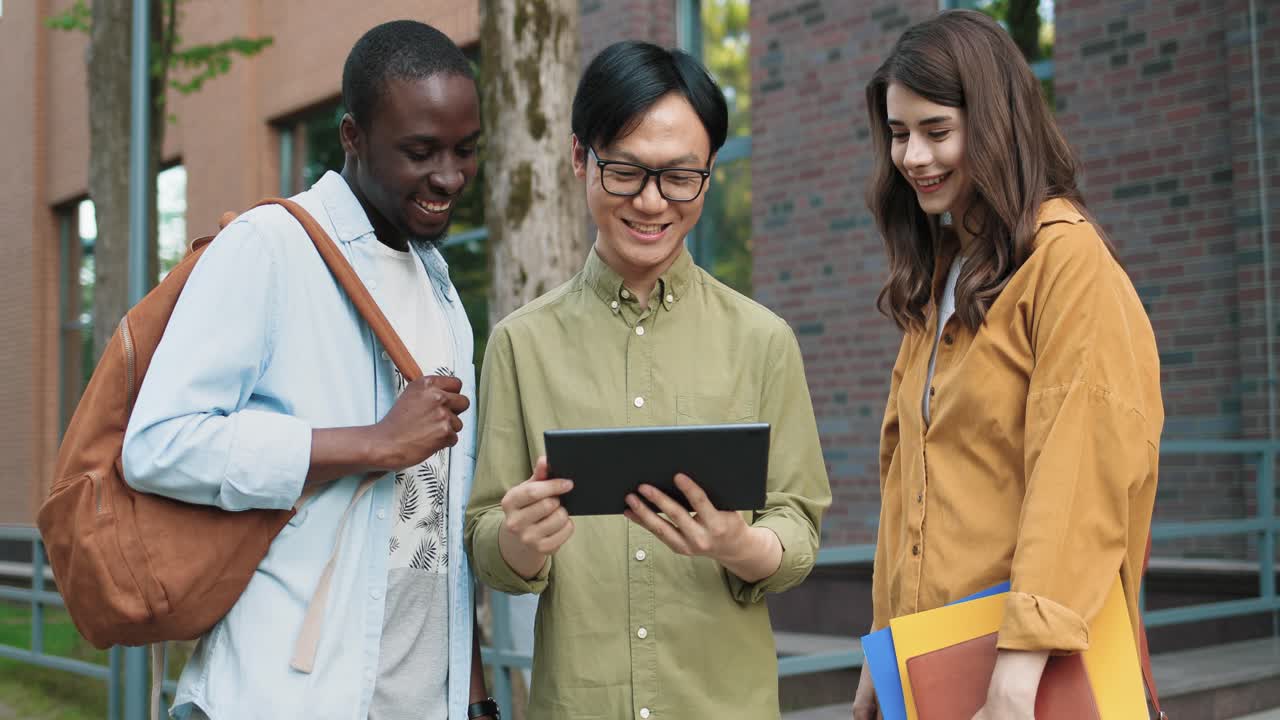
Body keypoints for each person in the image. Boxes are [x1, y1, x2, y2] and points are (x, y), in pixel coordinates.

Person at [122, 20, 498, 720]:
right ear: (352, 137)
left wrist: (472, 693)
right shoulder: (268, 248)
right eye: (420, 152)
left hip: (424, 699)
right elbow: (157, 444)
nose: (449, 177)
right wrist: (371, 443)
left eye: (465, 150)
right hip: (280, 695)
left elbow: (436, 524)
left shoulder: (442, 291)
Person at [465, 40, 831, 720]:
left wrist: (739, 544)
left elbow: (799, 527)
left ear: (709, 174)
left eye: (679, 177)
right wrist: (517, 542)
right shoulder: (521, 343)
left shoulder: (763, 341)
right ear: (580, 158)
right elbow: (486, 534)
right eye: (626, 172)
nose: (652, 202)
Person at [851, 10, 1163, 720]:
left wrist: (1017, 677)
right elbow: (908, 489)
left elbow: (1079, 471)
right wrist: (881, 645)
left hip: (1026, 676)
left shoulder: (1066, 261)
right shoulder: (942, 277)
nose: (913, 157)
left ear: (995, 126)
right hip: (933, 662)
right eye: (899, 134)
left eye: (937, 130)